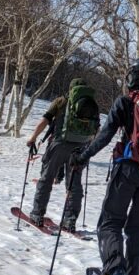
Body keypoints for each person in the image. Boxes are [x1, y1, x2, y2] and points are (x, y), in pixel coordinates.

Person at [70, 57, 139, 275]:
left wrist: (82, 156)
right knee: (138, 226)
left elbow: (104, 136)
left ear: (134, 77)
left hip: (127, 169)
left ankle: (115, 271)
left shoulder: (125, 102)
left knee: (110, 221)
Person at [25, 77, 98, 232]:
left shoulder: (61, 101)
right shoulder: (92, 103)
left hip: (59, 144)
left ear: (70, 89)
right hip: (81, 148)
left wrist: (33, 138)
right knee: (74, 185)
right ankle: (69, 221)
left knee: (46, 179)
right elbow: (95, 129)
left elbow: (45, 121)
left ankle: (37, 214)